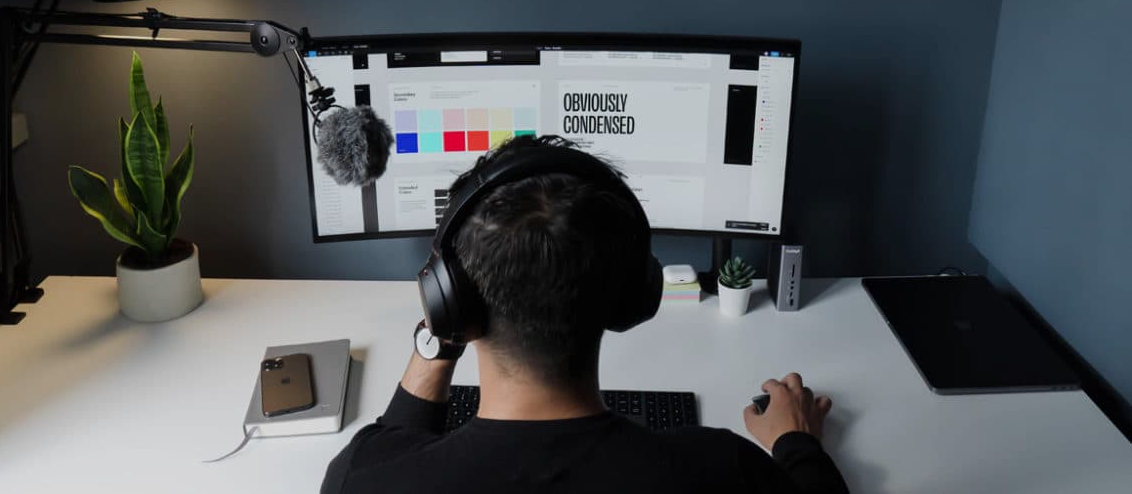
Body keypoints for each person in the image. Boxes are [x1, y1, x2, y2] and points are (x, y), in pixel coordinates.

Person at [321, 135, 848, 493]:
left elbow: (392, 444)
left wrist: (437, 341)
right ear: (635, 298)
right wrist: (796, 441)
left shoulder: (365, 480)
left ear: (449, 301)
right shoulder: (722, 470)